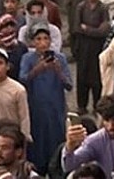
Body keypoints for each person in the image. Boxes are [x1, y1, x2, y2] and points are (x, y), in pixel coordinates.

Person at [19, 25, 71, 175]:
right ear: (33, 42)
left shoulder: (59, 58)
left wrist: (58, 70)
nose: (42, 42)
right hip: (35, 109)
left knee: (56, 142)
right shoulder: (28, 58)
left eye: (45, 38)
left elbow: (69, 85)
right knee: (37, 145)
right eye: (38, 39)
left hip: (56, 110)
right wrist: (38, 69)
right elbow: (22, 80)